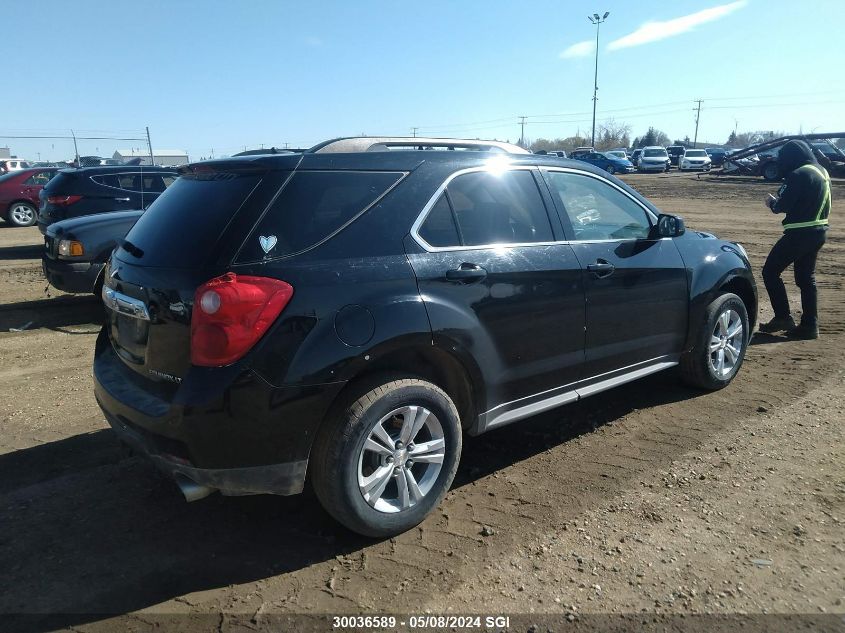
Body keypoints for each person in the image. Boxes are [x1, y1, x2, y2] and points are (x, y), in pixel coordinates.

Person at [759, 140, 831, 339]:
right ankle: (810, 325)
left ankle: (783, 317)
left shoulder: (798, 174)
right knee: (806, 279)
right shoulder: (821, 171)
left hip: (799, 233)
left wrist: (772, 203)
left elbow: (784, 205)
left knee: (770, 272)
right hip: (819, 231)